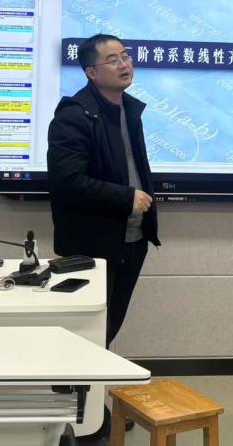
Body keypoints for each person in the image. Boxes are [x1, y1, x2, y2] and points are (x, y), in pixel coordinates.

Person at [47, 33, 160, 441]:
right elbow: (67, 182)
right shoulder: (74, 115)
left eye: (125, 55)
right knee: (88, 333)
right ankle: (83, 418)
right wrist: (125, 197)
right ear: (91, 72)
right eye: (113, 59)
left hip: (132, 239)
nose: (124, 63)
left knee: (106, 330)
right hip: (92, 245)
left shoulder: (129, 109)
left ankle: (89, 408)